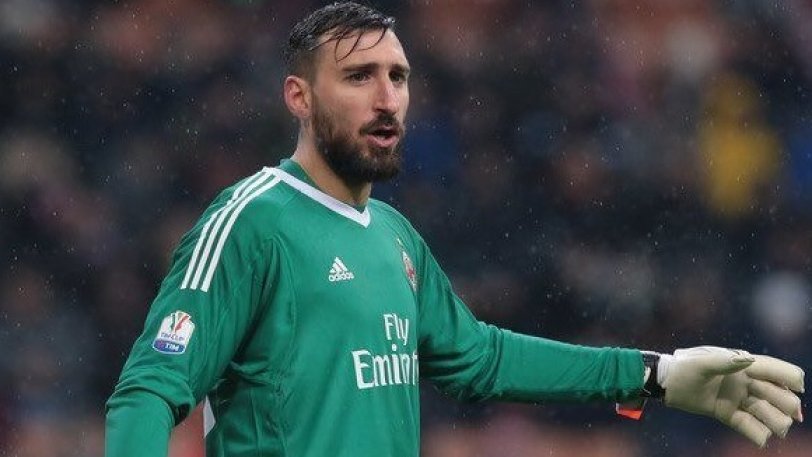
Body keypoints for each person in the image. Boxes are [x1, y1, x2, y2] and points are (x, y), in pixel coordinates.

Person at [105, 3, 805, 456]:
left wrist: (655, 374)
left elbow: (481, 360)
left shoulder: (394, 236)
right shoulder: (250, 222)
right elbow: (149, 389)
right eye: (359, 77)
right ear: (300, 96)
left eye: (398, 76)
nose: (387, 98)